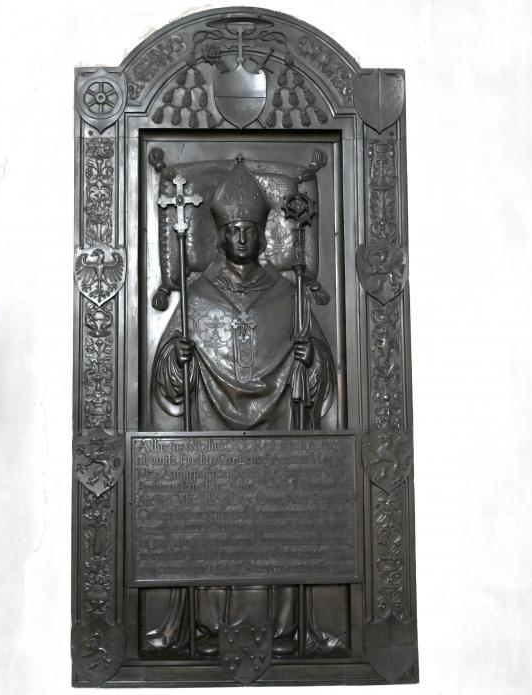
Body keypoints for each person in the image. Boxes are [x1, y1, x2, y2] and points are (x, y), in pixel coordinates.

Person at [147, 155, 341, 657]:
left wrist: (310, 361)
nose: (241, 238)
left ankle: (282, 631)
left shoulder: (287, 296)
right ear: (220, 236)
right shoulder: (197, 297)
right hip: (213, 440)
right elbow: (166, 382)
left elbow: (322, 375)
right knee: (213, 524)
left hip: (276, 437)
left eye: (249, 230)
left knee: (276, 526)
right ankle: (209, 629)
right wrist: (178, 362)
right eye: (232, 230)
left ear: (262, 236)